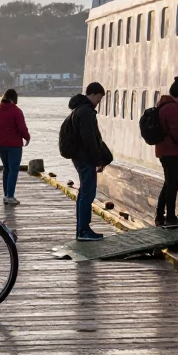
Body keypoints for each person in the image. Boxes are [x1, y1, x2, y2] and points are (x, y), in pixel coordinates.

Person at [67, 82, 112, 240]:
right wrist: (97, 159)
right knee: (87, 194)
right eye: (99, 98)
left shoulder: (78, 109)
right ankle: (83, 231)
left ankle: (82, 230)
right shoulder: (86, 112)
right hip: (85, 158)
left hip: (80, 157)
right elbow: (89, 138)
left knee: (83, 194)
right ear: (93, 94)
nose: (99, 101)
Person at [155, 76, 178, 229]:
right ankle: (170, 217)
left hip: (164, 151)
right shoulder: (172, 109)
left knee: (168, 184)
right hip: (172, 152)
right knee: (172, 185)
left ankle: (159, 216)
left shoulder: (162, 106)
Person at [0, 89, 30, 205]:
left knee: (6, 168)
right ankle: (10, 196)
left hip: (0, 144)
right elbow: (22, 128)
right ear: (14, 98)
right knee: (13, 169)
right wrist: (27, 137)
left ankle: (6, 194)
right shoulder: (16, 111)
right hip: (14, 145)